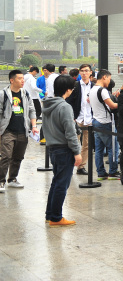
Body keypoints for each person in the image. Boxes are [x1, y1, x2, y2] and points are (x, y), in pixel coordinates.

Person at [42, 75, 82, 226]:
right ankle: (56, 217)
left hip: (53, 148)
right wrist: (77, 152)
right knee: (61, 184)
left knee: (56, 182)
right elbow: (70, 132)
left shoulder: (47, 104)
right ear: (68, 90)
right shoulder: (65, 107)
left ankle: (50, 214)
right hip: (64, 149)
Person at [0, 70, 37, 193]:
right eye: (20, 78)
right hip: (7, 131)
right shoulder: (3, 94)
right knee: (6, 156)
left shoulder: (25, 93)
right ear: (12, 80)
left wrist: (34, 125)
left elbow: (32, 110)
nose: (23, 81)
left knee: (18, 157)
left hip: (23, 130)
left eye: (23, 78)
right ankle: (1, 181)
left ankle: (12, 179)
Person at [89, 69, 119, 180]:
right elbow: (112, 106)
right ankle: (113, 172)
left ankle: (101, 173)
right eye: (109, 78)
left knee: (99, 149)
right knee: (112, 148)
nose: (109, 81)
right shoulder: (103, 90)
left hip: (96, 121)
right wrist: (121, 101)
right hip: (106, 122)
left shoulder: (92, 89)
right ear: (104, 77)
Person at [65, 63, 94, 175]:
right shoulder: (75, 85)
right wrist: (71, 117)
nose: (84, 73)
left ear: (91, 72)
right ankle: (70, 165)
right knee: (73, 144)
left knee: (87, 145)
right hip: (77, 119)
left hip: (89, 119)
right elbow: (68, 101)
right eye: (82, 71)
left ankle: (81, 167)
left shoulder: (94, 87)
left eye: (86, 71)